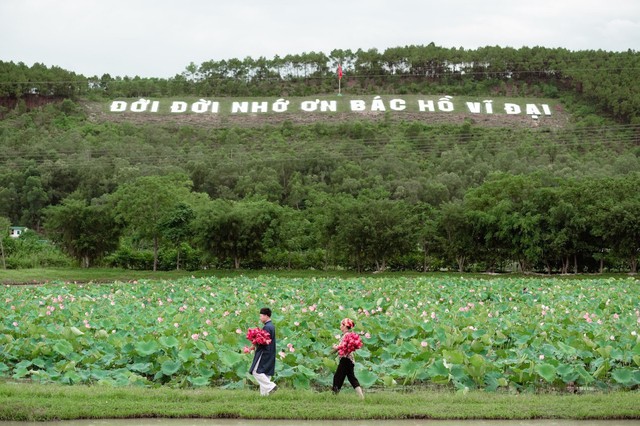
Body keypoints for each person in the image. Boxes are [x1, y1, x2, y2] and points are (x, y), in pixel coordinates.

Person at [332, 318, 364, 399]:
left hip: (345, 360)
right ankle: (361, 397)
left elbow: (342, 346)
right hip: (350, 360)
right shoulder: (349, 335)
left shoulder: (346, 335)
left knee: (337, 377)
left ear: (345, 326)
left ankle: (334, 396)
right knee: (351, 378)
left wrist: (335, 347)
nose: (340, 326)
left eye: (341, 325)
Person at [248, 307, 277, 396]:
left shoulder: (267, 327)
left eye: (261, 316)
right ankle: (264, 396)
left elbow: (262, 341)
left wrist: (254, 343)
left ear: (266, 316)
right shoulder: (271, 326)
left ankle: (271, 386)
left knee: (256, 371)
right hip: (270, 352)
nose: (260, 318)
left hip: (264, 352)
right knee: (265, 373)